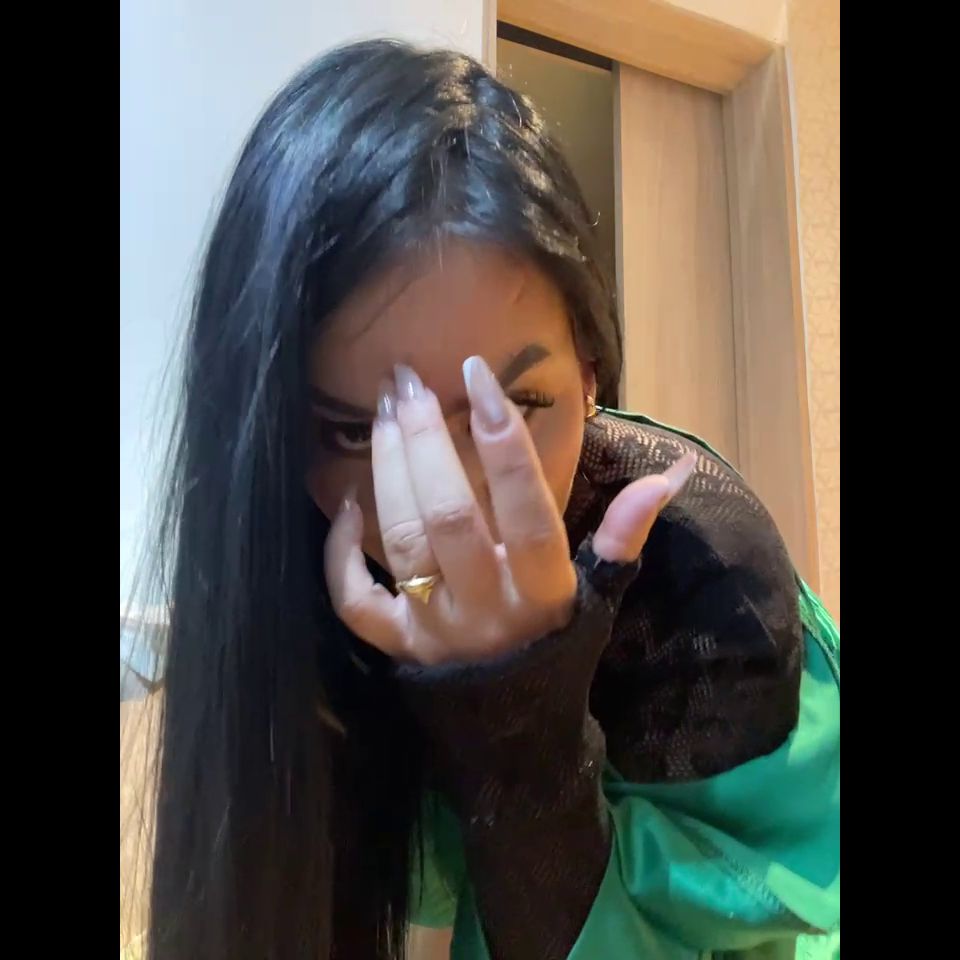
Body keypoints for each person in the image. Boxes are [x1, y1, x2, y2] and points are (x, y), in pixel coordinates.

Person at [131, 38, 840, 960]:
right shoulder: (276, 565)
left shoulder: (708, 589)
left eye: (516, 407)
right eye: (356, 433)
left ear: (591, 374)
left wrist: (523, 741)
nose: (445, 504)